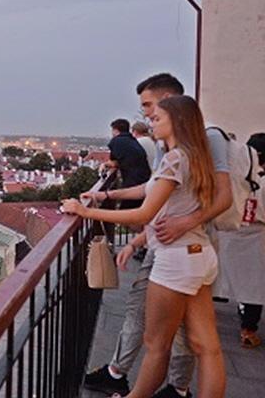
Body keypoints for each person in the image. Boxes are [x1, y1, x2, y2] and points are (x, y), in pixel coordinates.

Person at [81, 73, 232, 398]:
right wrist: (134, 237)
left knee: (156, 344)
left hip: (176, 258)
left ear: (173, 114)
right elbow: (163, 199)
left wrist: (86, 212)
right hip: (199, 254)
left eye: (155, 114)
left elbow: (146, 212)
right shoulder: (195, 154)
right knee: (207, 347)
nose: (149, 121)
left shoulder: (177, 157)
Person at [214, 132, 265, 348]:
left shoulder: (232, 176)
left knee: (226, 278)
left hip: (230, 231)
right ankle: (248, 328)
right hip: (254, 235)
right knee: (252, 284)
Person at [106, 119, 152, 209]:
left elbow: (113, 162)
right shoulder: (133, 140)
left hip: (132, 180)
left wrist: (105, 165)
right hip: (144, 178)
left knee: (127, 207)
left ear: (115, 130)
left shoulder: (117, 141)